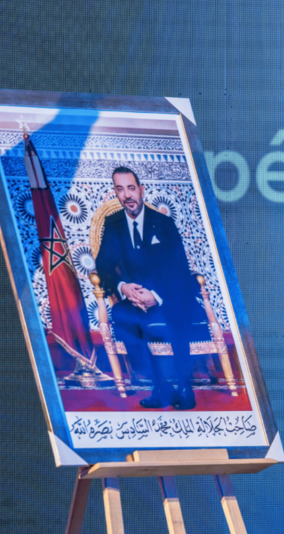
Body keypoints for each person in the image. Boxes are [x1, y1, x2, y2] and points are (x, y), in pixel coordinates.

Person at [95, 166, 208, 410]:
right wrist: (123, 287)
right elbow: (103, 265)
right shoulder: (114, 224)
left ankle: (184, 386)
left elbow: (179, 269)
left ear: (141, 190)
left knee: (176, 313)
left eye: (131, 188)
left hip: (169, 294)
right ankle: (160, 387)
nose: (127, 195)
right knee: (119, 314)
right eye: (120, 189)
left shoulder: (163, 223)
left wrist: (155, 296)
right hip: (135, 297)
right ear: (116, 193)